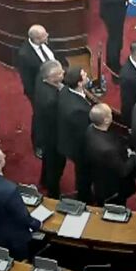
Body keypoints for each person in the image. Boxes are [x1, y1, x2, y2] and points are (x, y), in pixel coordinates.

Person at [58, 66, 93, 202]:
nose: (86, 75)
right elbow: (83, 134)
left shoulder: (66, 90)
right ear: (79, 83)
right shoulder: (77, 110)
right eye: (84, 74)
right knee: (84, 174)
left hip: (69, 137)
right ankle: (85, 197)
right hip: (79, 149)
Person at [87, 103, 134, 205]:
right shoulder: (109, 150)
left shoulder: (90, 128)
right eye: (110, 113)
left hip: (98, 177)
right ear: (106, 120)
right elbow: (123, 170)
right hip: (112, 188)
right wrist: (132, 156)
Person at [34, 61, 65, 197]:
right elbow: (59, 118)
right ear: (51, 78)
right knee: (56, 165)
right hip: (53, 136)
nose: (63, 73)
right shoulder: (51, 100)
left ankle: (44, 181)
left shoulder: (41, 79)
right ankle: (54, 194)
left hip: (44, 131)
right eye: (59, 73)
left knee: (48, 161)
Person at [14, 24, 65, 106]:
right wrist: (36, 99)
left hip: (58, 81)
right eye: (44, 35)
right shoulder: (24, 55)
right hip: (44, 91)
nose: (47, 35)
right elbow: (28, 81)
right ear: (37, 39)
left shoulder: (46, 41)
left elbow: (58, 56)